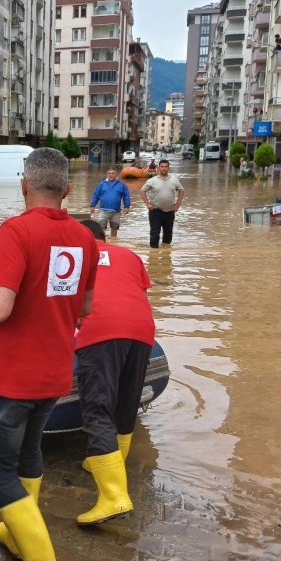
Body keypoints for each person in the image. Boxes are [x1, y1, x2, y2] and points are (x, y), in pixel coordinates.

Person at [0, 148, 98, 561]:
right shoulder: (85, 238)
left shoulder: (16, 229)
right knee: (30, 451)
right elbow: (87, 308)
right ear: (68, 190)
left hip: (10, 378)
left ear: (23, 185)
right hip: (54, 374)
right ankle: (18, 536)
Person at [74, 221, 155, 525]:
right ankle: (110, 462)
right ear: (104, 237)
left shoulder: (75, 256)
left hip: (100, 331)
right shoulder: (129, 255)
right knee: (126, 401)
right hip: (142, 331)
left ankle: (114, 498)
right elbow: (139, 290)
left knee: (97, 409)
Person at [140, 158, 185, 248]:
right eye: (162, 166)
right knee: (155, 234)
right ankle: (153, 256)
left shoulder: (174, 180)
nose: (164, 168)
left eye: (166, 166)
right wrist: (148, 204)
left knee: (168, 234)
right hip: (155, 211)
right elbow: (142, 191)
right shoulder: (152, 180)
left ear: (168, 168)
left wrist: (177, 204)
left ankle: (166, 255)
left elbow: (181, 190)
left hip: (169, 211)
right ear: (159, 168)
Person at [89, 165, 130, 238]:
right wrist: (92, 206)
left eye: (113, 173)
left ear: (116, 174)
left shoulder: (122, 185)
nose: (111, 175)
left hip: (116, 212)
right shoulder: (101, 184)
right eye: (109, 173)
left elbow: (126, 196)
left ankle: (113, 243)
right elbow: (96, 195)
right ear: (107, 174)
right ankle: (103, 245)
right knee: (101, 230)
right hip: (103, 211)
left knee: (114, 230)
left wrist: (126, 207)